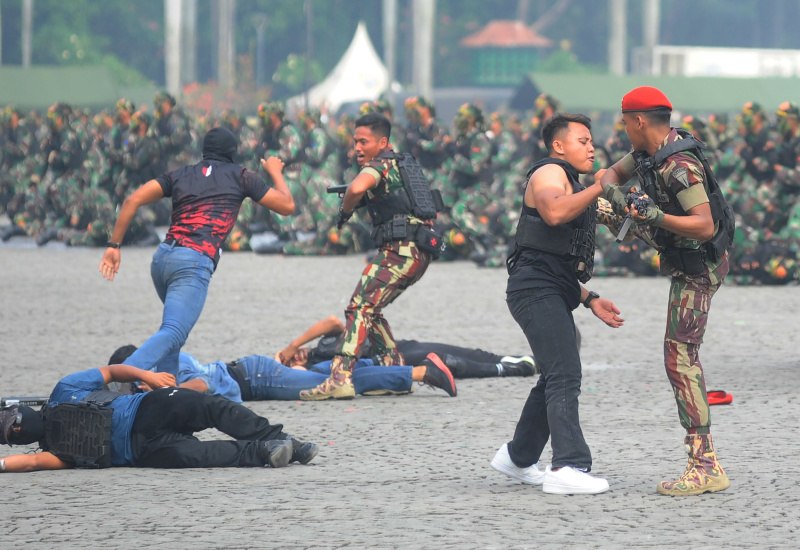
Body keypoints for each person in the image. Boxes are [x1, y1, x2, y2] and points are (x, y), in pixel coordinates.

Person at [599, 86, 732, 496]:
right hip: (677, 248)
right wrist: (619, 199)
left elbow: (704, 225)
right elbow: (607, 176)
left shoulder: (678, 166)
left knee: (680, 358)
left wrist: (654, 216)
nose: (622, 129)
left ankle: (705, 464)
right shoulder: (646, 153)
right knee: (596, 204)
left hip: (698, 264)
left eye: (624, 122)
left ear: (639, 121)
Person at [491, 113, 623, 495]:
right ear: (559, 146)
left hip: (548, 287)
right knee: (565, 374)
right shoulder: (549, 173)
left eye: (591, 140)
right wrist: (599, 187)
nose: (591, 146)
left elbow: (550, 256)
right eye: (583, 140)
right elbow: (553, 212)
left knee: (555, 373)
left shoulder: (573, 182)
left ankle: (518, 457)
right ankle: (569, 465)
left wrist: (590, 298)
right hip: (535, 291)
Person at [98, 127, 294, 376]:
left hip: (162, 259)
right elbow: (287, 205)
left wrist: (113, 246)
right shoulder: (241, 176)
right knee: (173, 331)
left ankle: (169, 391)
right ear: (233, 153)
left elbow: (131, 200)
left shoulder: (180, 174)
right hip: (192, 262)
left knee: (173, 336)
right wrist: (276, 173)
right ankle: (115, 377)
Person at [299, 113, 439, 401]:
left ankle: (339, 377)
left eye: (364, 141)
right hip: (419, 251)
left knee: (359, 309)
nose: (357, 148)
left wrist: (346, 210)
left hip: (400, 252)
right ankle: (395, 372)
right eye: (355, 142)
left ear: (382, 142)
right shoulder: (402, 163)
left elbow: (357, 187)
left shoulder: (379, 165)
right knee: (370, 309)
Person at [0, 363, 317, 472]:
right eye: (11, 434)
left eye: (12, 420)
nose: (16, 427)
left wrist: (146, 376)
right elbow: (29, 464)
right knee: (199, 455)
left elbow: (110, 372)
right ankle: (265, 451)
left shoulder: (63, 389)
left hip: (146, 406)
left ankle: (283, 440)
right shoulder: (55, 451)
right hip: (142, 451)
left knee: (211, 406)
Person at [109, 344, 457, 400]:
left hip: (259, 379)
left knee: (331, 384)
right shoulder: (168, 360)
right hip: (254, 373)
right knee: (325, 372)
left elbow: (201, 385)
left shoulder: (171, 367)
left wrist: (161, 394)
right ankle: (372, 364)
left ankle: (422, 372)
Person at [276, 315, 542, 379]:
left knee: (469, 352)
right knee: (450, 362)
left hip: (399, 346)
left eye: (290, 356)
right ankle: (510, 369)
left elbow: (333, 321)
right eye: (290, 360)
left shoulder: (321, 344)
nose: (294, 356)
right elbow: (299, 378)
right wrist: (292, 367)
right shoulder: (321, 369)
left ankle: (537, 360)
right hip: (391, 361)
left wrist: (293, 345)